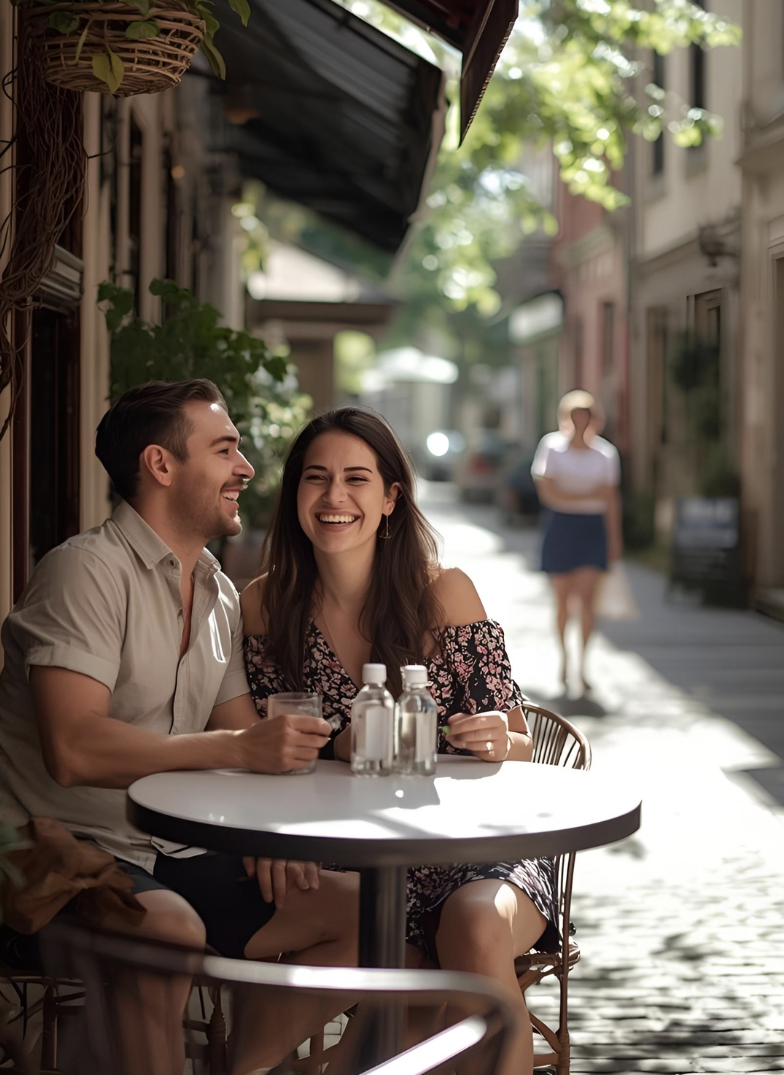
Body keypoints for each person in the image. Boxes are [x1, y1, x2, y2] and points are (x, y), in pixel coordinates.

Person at [0, 379, 359, 1075]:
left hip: (170, 854)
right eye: (225, 449)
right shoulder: (84, 572)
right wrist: (239, 749)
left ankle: (238, 1068)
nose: (246, 468)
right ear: (160, 464)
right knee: (169, 934)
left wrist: (266, 831)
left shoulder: (217, 591)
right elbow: (74, 748)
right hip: (55, 858)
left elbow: (243, 738)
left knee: (367, 912)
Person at [241, 406, 554, 1075]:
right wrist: (334, 747)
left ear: (390, 498)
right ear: (294, 493)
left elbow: (521, 742)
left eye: (356, 479)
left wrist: (498, 737)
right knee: (396, 960)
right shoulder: (265, 605)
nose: (334, 497)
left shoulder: (445, 592)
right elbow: (260, 745)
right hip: (352, 860)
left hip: (477, 850)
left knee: (472, 926)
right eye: (316, 478)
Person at [531, 389, 621, 694]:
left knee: (586, 601)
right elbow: (547, 491)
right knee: (562, 601)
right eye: (575, 415)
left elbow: (611, 498)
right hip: (561, 528)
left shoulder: (606, 454)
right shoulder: (552, 447)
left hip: (592, 530)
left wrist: (615, 538)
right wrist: (588, 495)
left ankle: (583, 664)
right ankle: (564, 658)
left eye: (585, 415)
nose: (580, 421)